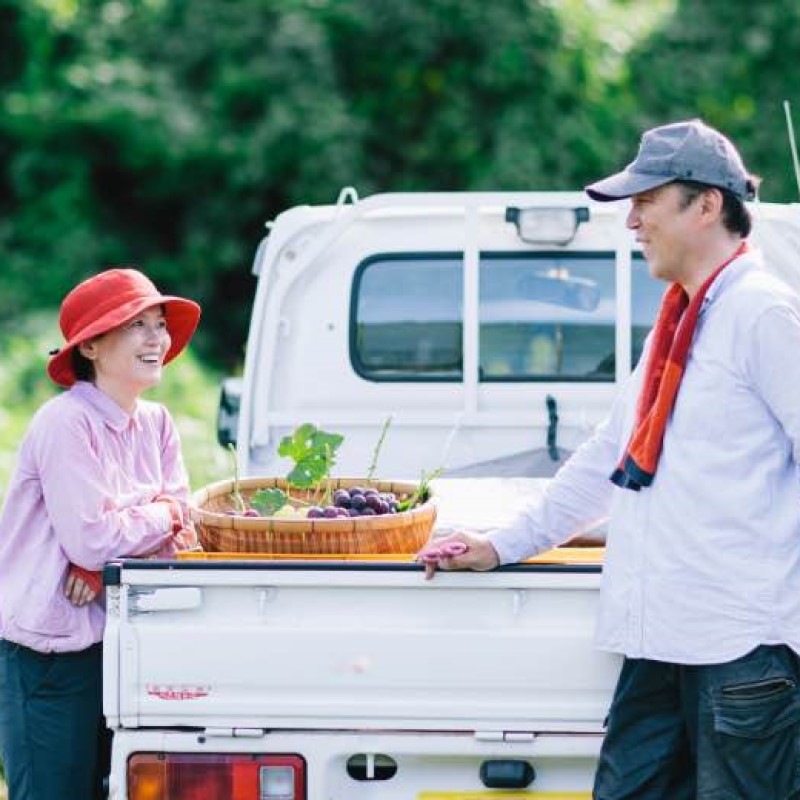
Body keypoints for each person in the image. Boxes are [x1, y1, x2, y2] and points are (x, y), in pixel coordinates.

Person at [419, 120, 800, 799]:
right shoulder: (680, 322)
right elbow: (606, 461)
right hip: (658, 643)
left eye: (647, 200)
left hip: (742, 653)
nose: (632, 220)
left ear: (707, 205)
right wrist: (502, 545)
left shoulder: (762, 315)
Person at [0, 268, 202, 800]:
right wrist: (153, 520)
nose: (156, 338)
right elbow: (94, 538)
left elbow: (183, 525)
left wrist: (107, 553)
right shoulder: (64, 423)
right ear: (90, 345)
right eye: (136, 325)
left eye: (159, 324)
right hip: (51, 652)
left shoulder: (157, 422)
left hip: (123, 643)